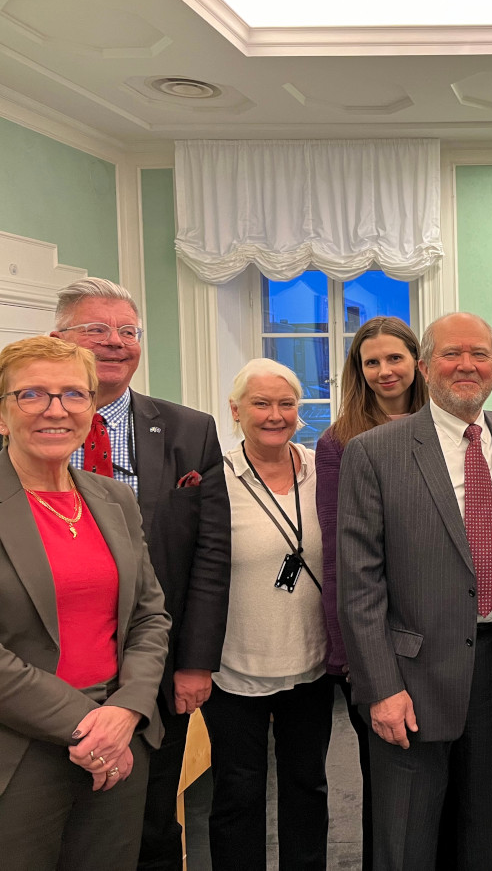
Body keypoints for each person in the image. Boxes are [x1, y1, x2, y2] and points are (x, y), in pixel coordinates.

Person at [338, 312, 492, 870]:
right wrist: (381, 688)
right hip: (412, 674)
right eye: (452, 354)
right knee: (407, 838)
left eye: (480, 354)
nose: (467, 366)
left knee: (490, 830)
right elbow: (359, 584)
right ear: (426, 367)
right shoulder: (376, 452)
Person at [50, 277, 231, 871]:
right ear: (58, 338)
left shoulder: (189, 430)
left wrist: (196, 661)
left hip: (156, 664)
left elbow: (209, 553)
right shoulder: (27, 432)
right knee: (48, 819)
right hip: (49, 665)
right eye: (96, 328)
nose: (115, 342)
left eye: (127, 331)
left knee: (153, 822)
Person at [0, 335, 170, 870]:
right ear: (3, 414)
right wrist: (87, 724)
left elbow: (148, 616)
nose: (56, 410)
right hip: (18, 750)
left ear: (92, 410)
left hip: (121, 738)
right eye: (32, 395)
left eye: (74, 394)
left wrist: (125, 711)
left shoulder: (113, 497)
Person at [207, 358, 331, 871]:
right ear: (236, 411)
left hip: (312, 662)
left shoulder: (322, 469)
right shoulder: (215, 478)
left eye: (286, 403)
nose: (275, 415)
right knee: (238, 792)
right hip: (235, 665)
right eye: (261, 404)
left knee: (308, 786)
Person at [316, 316, 428, 870]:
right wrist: (350, 657)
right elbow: (343, 559)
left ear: (417, 361)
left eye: (395, 358)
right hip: (376, 637)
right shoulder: (339, 443)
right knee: (387, 782)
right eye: (371, 362)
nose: (385, 371)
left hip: (438, 634)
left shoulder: (449, 428)